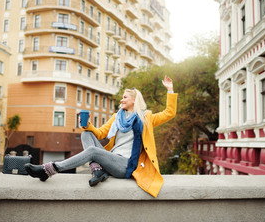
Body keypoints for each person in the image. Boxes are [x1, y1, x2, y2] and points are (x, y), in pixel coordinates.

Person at [25, 75, 177, 197]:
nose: (122, 100)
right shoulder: (117, 117)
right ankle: (97, 170)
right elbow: (100, 133)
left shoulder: (146, 118)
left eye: (125, 97)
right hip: (111, 157)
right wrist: (87, 125)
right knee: (86, 134)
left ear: (134, 100)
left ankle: (49, 170)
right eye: (122, 97)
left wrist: (170, 90)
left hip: (126, 165)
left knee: (93, 151)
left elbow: (169, 113)